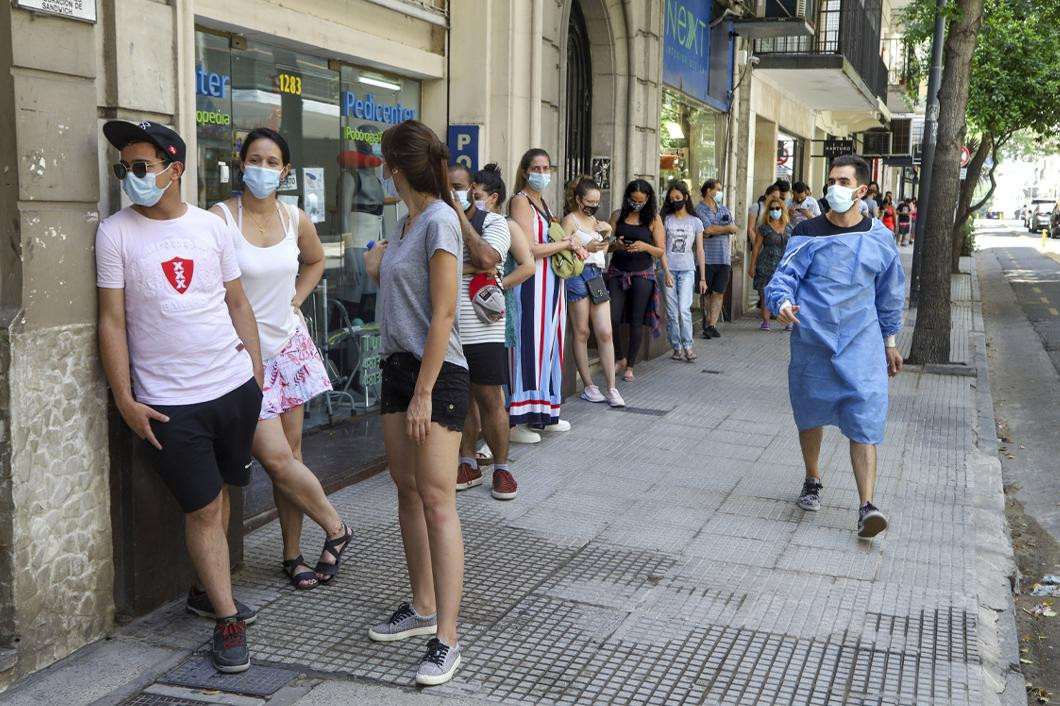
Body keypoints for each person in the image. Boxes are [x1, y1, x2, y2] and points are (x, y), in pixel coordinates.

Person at [96, 120, 262, 673]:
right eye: (125, 168)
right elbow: (112, 321)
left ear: (175, 170)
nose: (131, 177)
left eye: (141, 167)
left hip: (232, 388)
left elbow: (237, 303)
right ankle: (226, 617)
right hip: (170, 402)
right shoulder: (115, 233)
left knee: (225, 492)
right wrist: (124, 396)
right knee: (205, 505)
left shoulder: (211, 227)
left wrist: (255, 375)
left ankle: (204, 591)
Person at [209, 128, 351, 591]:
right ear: (240, 163)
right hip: (242, 356)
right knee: (274, 460)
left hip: (289, 348)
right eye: (255, 159)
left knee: (292, 456)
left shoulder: (296, 219)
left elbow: (315, 261)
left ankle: (292, 555)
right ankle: (338, 528)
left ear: (286, 172)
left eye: (273, 162)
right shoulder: (220, 219)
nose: (263, 169)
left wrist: (296, 299)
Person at [363, 120, 467, 686]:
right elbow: (406, 296)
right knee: (406, 490)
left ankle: (446, 639)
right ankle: (421, 603)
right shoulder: (403, 225)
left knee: (437, 500)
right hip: (396, 368)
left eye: (384, 161)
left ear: (396, 169)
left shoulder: (441, 220)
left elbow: (445, 314)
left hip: (437, 375)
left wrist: (424, 392)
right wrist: (378, 268)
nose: (382, 169)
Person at [764, 154, 905, 539]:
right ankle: (812, 478)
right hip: (814, 340)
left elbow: (889, 295)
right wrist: (781, 304)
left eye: (843, 182)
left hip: (862, 343)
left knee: (865, 416)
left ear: (862, 189)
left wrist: (890, 342)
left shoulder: (879, 238)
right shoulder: (808, 231)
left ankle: (867, 506)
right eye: (831, 181)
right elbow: (784, 278)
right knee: (810, 413)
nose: (834, 189)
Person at [446, 162, 518, 501]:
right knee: (460, 401)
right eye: (446, 187)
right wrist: (472, 265)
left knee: (489, 398)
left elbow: (489, 259)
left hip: (483, 325)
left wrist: (462, 219)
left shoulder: (494, 222)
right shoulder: (434, 218)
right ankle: (467, 462)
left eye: (458, 186)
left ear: (473, 188)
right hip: (446, 327)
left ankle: (502, 468)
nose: (452, 192)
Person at [463, 165, 536, 463]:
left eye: (476, 193)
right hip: (469, 314)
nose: (470, 197)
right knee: (470, 390)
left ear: (492, 197)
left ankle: (495, 451)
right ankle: (472, 449)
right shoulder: (459, 222)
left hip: (491, 309)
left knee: (491, 387)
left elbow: (527, 266)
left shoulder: (503, 224)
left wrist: (493, 282)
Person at [508, 149, 576, 439]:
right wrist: (567, 244)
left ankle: (545, 411)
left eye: (546, 167)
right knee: (529, 345)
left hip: (551, 285)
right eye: (536, 167)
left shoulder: (543, 202)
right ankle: (520, 417)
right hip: (530, 285)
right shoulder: (520, 202)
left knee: (549, 344)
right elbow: (529, 247)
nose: (542, 172)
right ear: (524, 171)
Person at [562, 176, 626, 405]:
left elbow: (603, 249)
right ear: (578, 199)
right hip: (577, 275)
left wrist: (607, 233)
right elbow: (562, 252)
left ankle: (612, 387)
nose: (594, 205)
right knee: (582, 332)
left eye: (597, 201)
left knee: (605, 332)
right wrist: (584, 248)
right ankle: (589, 385)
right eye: (589, 201)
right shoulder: (570, 221)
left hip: (597, 275)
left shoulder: (597, 223)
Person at [607, 179, 667, 382]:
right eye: (633, 200)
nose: (636, 204)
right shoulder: (617, 215)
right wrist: (616, 244)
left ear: (648, 199)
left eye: (640, 201)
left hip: (642, 273)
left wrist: (644, 246)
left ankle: (630, 365)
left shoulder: (654, 219)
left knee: (636, 319)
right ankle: (620, 357)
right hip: (617, 271)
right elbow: (605, 244)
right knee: (612, 317)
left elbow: (660, 250)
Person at [660, 181, 705, 360]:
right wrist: (665, 271)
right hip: (667, 270)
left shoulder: (696, 222)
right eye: (671, 199)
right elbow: (661, 247)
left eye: (678, 198)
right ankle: (676, 347)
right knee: (672, 312)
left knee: (683, 309)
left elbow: (700, 250)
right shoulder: (666, 220)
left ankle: (688, 346)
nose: (675, 201)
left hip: (687, 270)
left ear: (685, 197)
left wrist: (702, 277)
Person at [694, 179, 737, 339]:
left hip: (724, 257)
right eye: (717, 189)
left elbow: (734, 228)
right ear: (708, 191)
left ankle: (712, 324)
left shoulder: (723, 209)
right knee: (706, 293)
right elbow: (707, 229)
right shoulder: (700, 210)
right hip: (705, 258)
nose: (720, 192)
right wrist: (724, 229)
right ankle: (705, 323)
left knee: (719, 292)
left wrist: (716, 230)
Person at [749, 195, 793, 332]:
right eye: (772, 208)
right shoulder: (764, 228)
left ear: (782, 209)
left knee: (786, 293)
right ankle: (766, 321)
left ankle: (788, 321)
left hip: (784, 265)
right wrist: (752, 265)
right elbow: (756, 247)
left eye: (777, 208)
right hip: (766, 265)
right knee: (765, 293)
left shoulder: (789, 228)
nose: (775, 211)